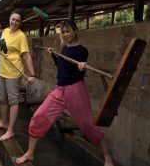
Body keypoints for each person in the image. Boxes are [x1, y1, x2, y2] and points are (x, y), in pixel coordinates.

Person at [16, 19, 114, 166]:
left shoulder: (82, 50)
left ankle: (107, 157)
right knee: (38, 116)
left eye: (68, 31)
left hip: (76, 90)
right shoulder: (64, 49)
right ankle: (30, 153)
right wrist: (54, 56)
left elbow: (78, 70)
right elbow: (62, 67)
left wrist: (82, 66)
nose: (66, 34)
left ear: (75, 31)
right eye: (63, 32)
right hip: (59, 90)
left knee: (88, 125)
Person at [0, 8, 36, 141]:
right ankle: (3, 121)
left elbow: (27, 57)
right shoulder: (4, 31)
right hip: (2, 71)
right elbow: (1, 50)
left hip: (13, 73)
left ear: (20, 22)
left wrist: (32, 74)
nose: (14, 22)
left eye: (17, 20)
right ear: (10, 19)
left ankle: (10, 130)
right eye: (13, 19)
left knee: (13, 101)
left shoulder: (21, 36)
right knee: (1, 98)